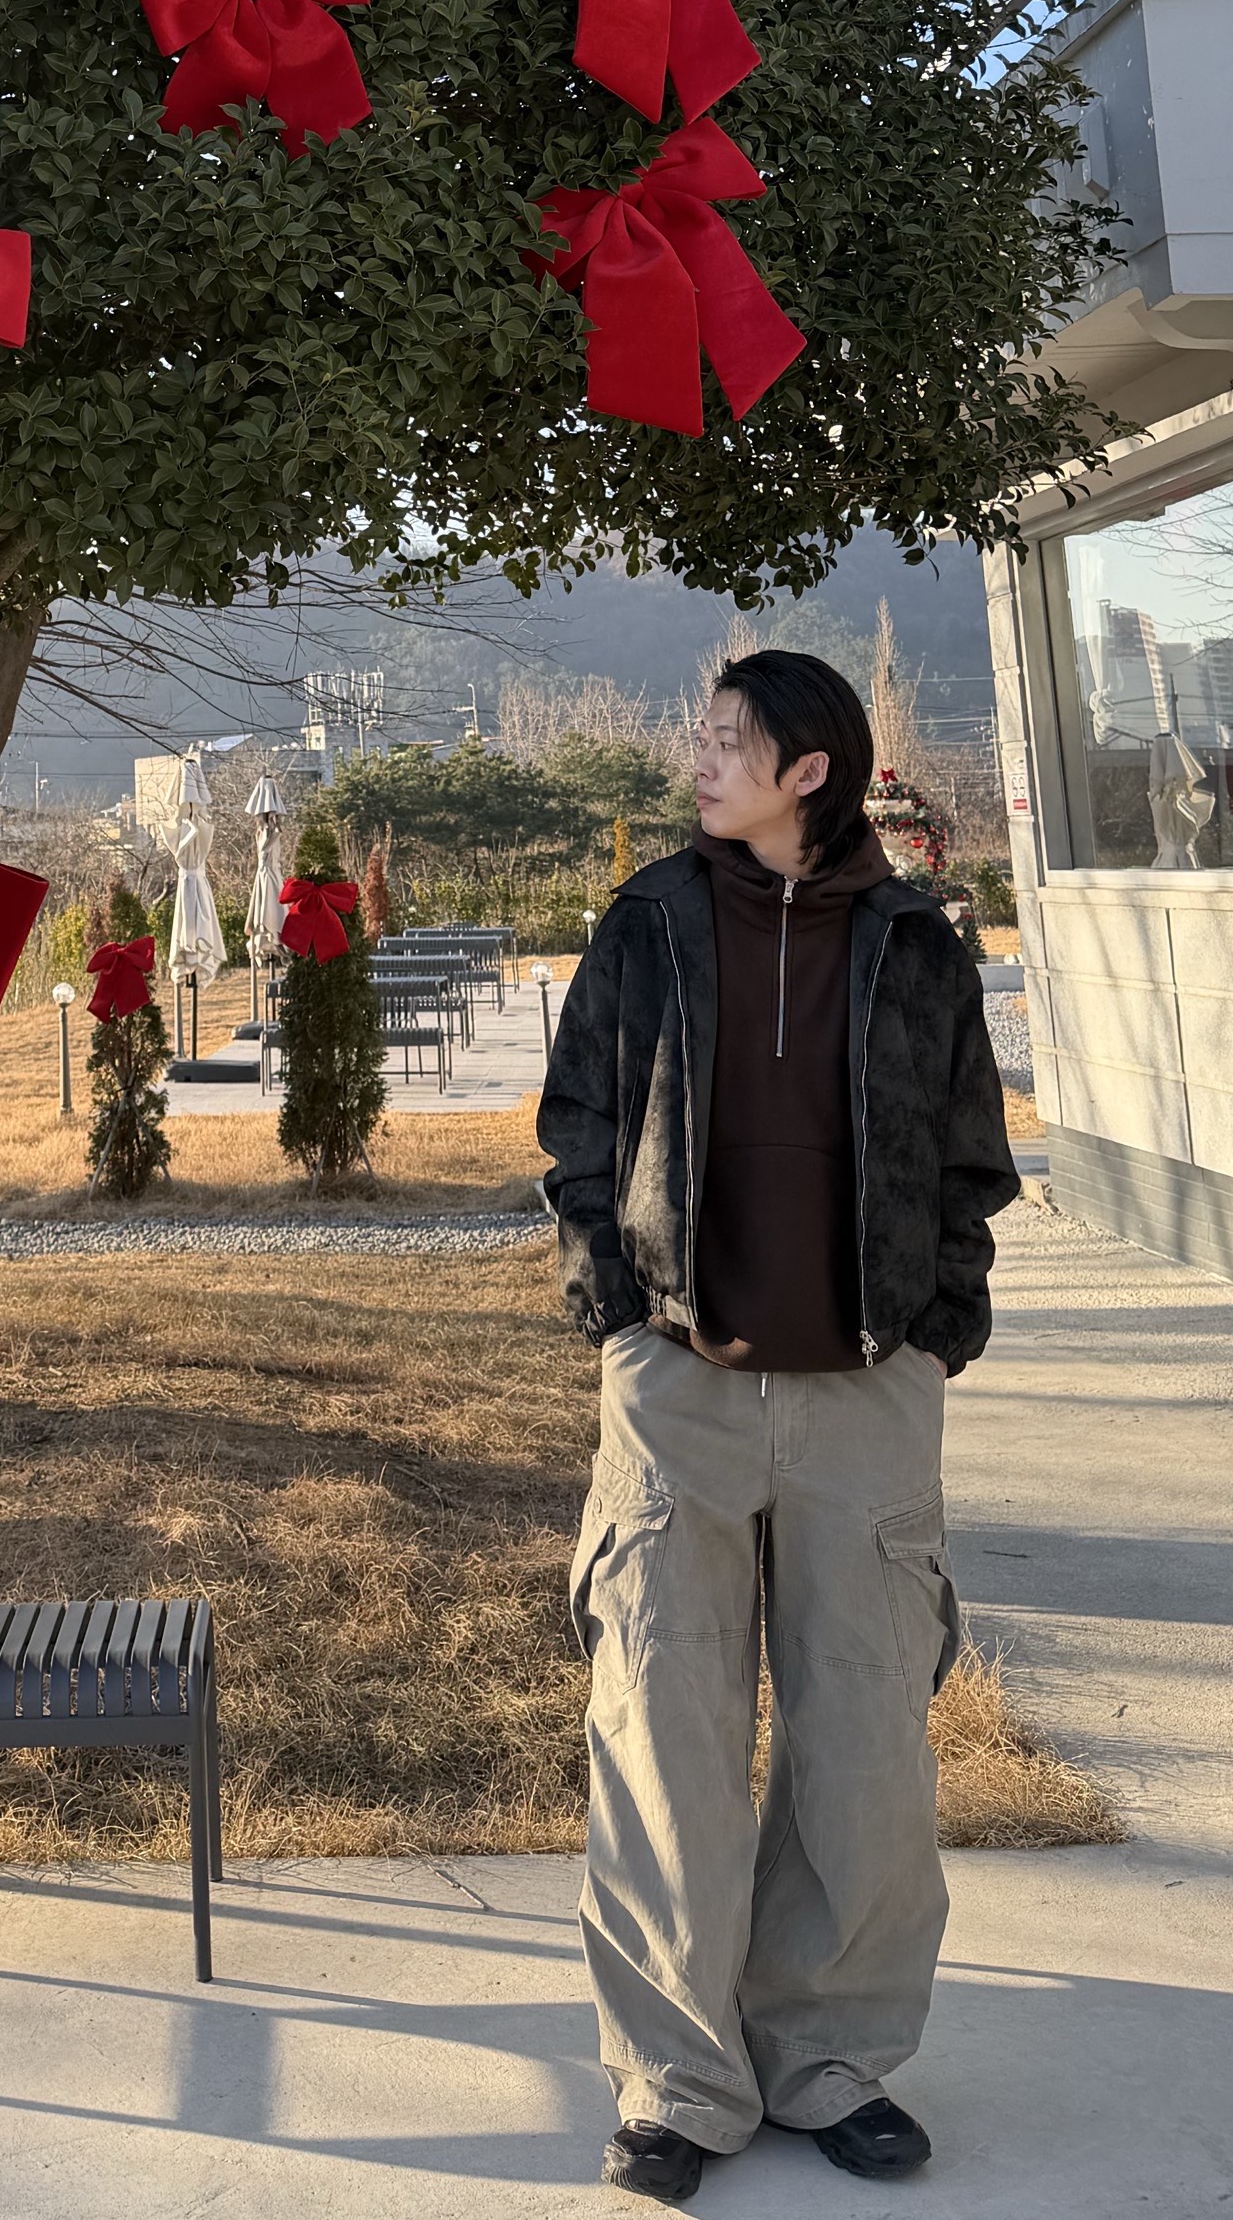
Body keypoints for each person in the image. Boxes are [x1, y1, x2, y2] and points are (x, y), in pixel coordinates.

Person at [538, 646, 1018, 2198]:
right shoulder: (649, 924)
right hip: (679, 1385)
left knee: (862, 1740)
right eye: (703, 731)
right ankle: (679, 2079)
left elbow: (969, 1158)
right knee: (663, 1735)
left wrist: (938, 1335)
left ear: (810, 768)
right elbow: (579, 1130)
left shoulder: (914, 943)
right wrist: (615, 1318)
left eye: (729, 738)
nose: (700, 754)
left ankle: (827, 2058)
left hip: (867, 1390)